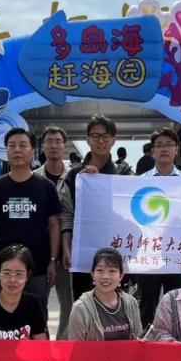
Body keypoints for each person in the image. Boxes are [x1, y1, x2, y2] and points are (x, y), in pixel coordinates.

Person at [0, 128, 61, 299]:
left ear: (33, 151)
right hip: (4, 268)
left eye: (23, 145)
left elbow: (54, 225)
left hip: (38, 268)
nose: (17, 150)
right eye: (12, 146)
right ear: (6, 151)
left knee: (37, 312)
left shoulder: (46, 186)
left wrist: (53, 261)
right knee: (5, 311)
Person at [61, 115, 125, 305]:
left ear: (114, 139)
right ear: (87, 139)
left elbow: (129, 213)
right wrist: (67, 247)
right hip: (83, 254)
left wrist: (100, 184)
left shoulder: (125, 175)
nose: (100, 141)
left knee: (114, 306)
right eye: (95, 136)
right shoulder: (74, 175)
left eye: (106, 136)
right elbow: (66, 214)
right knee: (83, 305)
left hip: (116, 252)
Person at [135, 127, 181, 329]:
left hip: (177, 253)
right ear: (152, 151)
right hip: (149, 253)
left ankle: (176, 341)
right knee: (147, 302)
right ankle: (145, 342)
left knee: (177, 302)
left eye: (169, 145)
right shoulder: (140, 181)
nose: (164, 149)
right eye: (159, 145)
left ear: (176, 149)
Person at [33, 125, 74, 339]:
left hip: (68, 250)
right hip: (41, 249)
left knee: (69, 302)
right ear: (42, 146)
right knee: (38, 301)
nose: (54, 145)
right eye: (49, 141)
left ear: (64, 146)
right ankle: (41, 342)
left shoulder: (76, 176)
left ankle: (63, 344)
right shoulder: (32, 177)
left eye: (58, 141)